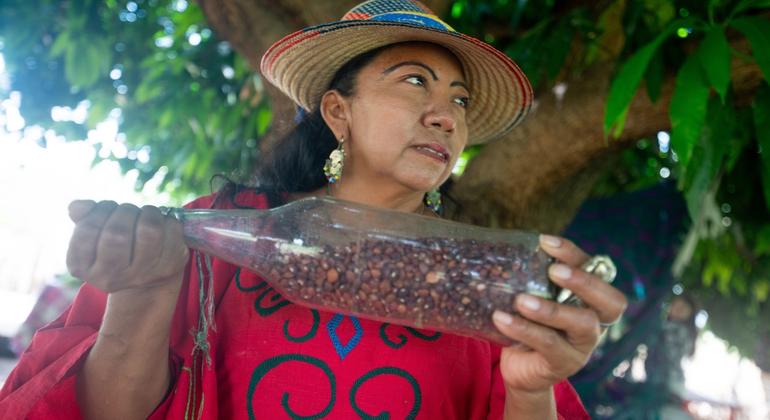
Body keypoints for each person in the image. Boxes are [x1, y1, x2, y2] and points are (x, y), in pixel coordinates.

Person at [0, 1, 628, 418]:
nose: (446, 115)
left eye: (460, 102)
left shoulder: (478, 279)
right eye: (415, 82)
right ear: (337, 112)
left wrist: (531, 385)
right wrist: (141, 293)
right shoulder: (212, 228)